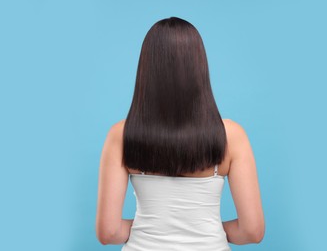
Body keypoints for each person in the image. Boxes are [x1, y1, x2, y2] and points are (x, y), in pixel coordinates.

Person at [96, 16, 265, 250]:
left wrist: (153, 228)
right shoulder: (232, 136)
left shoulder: (121, 135)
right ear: (199, 66)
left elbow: (109, 232)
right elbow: (252, 231)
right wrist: (207, 228)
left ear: (147, 69)